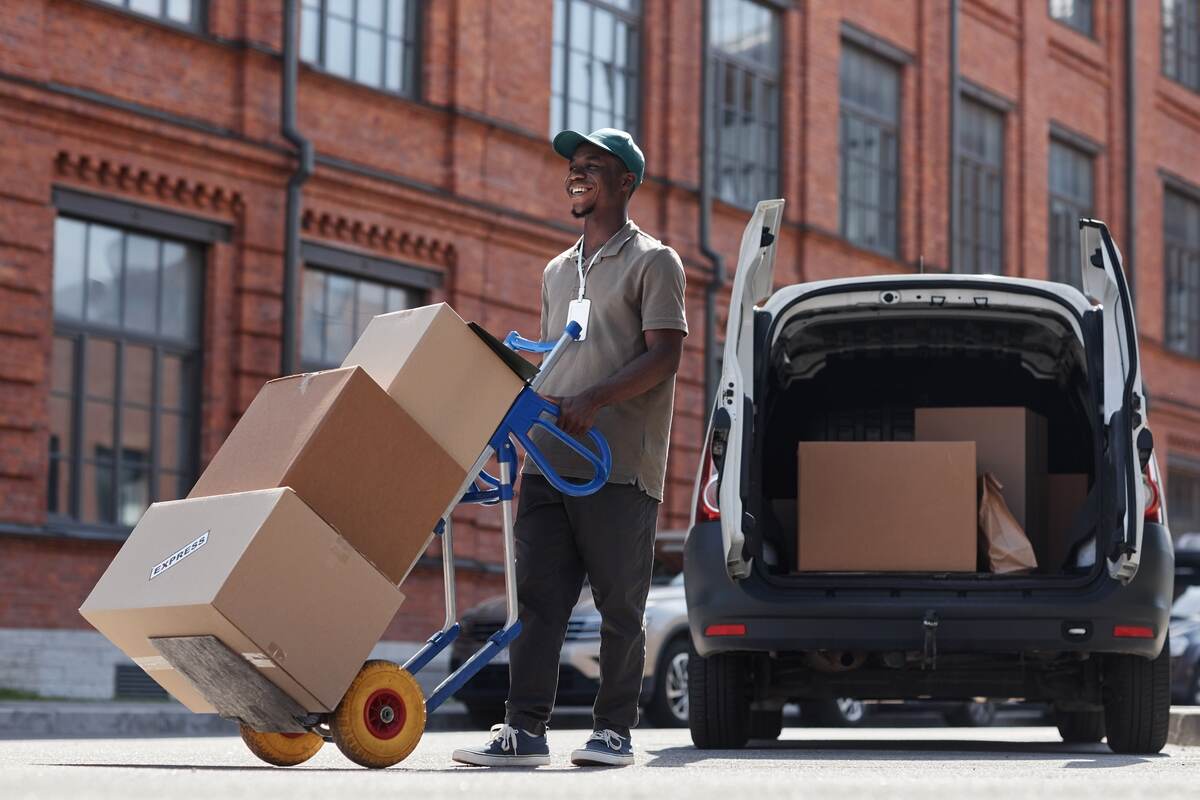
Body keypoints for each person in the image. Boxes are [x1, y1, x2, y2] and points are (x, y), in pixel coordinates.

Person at [452, 128, 687, 768]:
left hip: (618, 465)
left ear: (626, 183)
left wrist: (596, 400)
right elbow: (558, 360)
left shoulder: (654, 261)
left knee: (619, 605)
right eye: (573, 167)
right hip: (549, 461)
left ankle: (613, 731)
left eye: (593, 167)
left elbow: (665, 355)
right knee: (538, 601)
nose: (577, 175)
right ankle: (524, 732)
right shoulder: (557, 270)